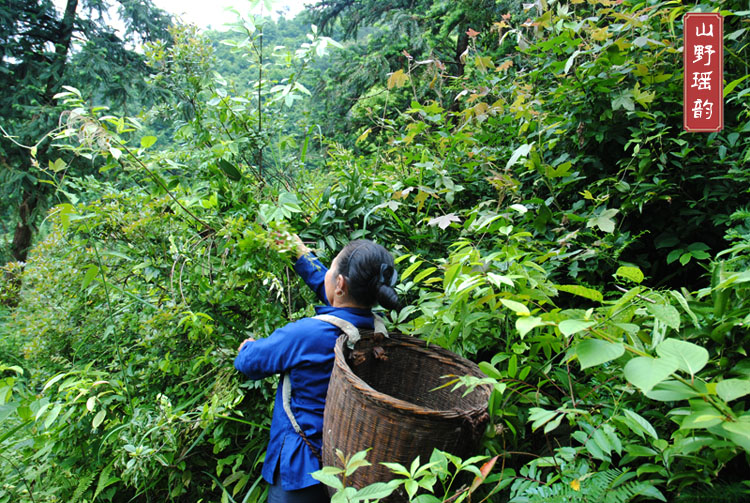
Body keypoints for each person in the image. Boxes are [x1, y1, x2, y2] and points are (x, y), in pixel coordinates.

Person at [234, 236, 400, 503]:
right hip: (349, 464)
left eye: (332, 268)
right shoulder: (375, 332)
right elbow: (339, 297)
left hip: (302, 469)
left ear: (341, 283)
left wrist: (246, 347)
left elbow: (251, 363)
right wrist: (302, 255)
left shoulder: (307, 334)